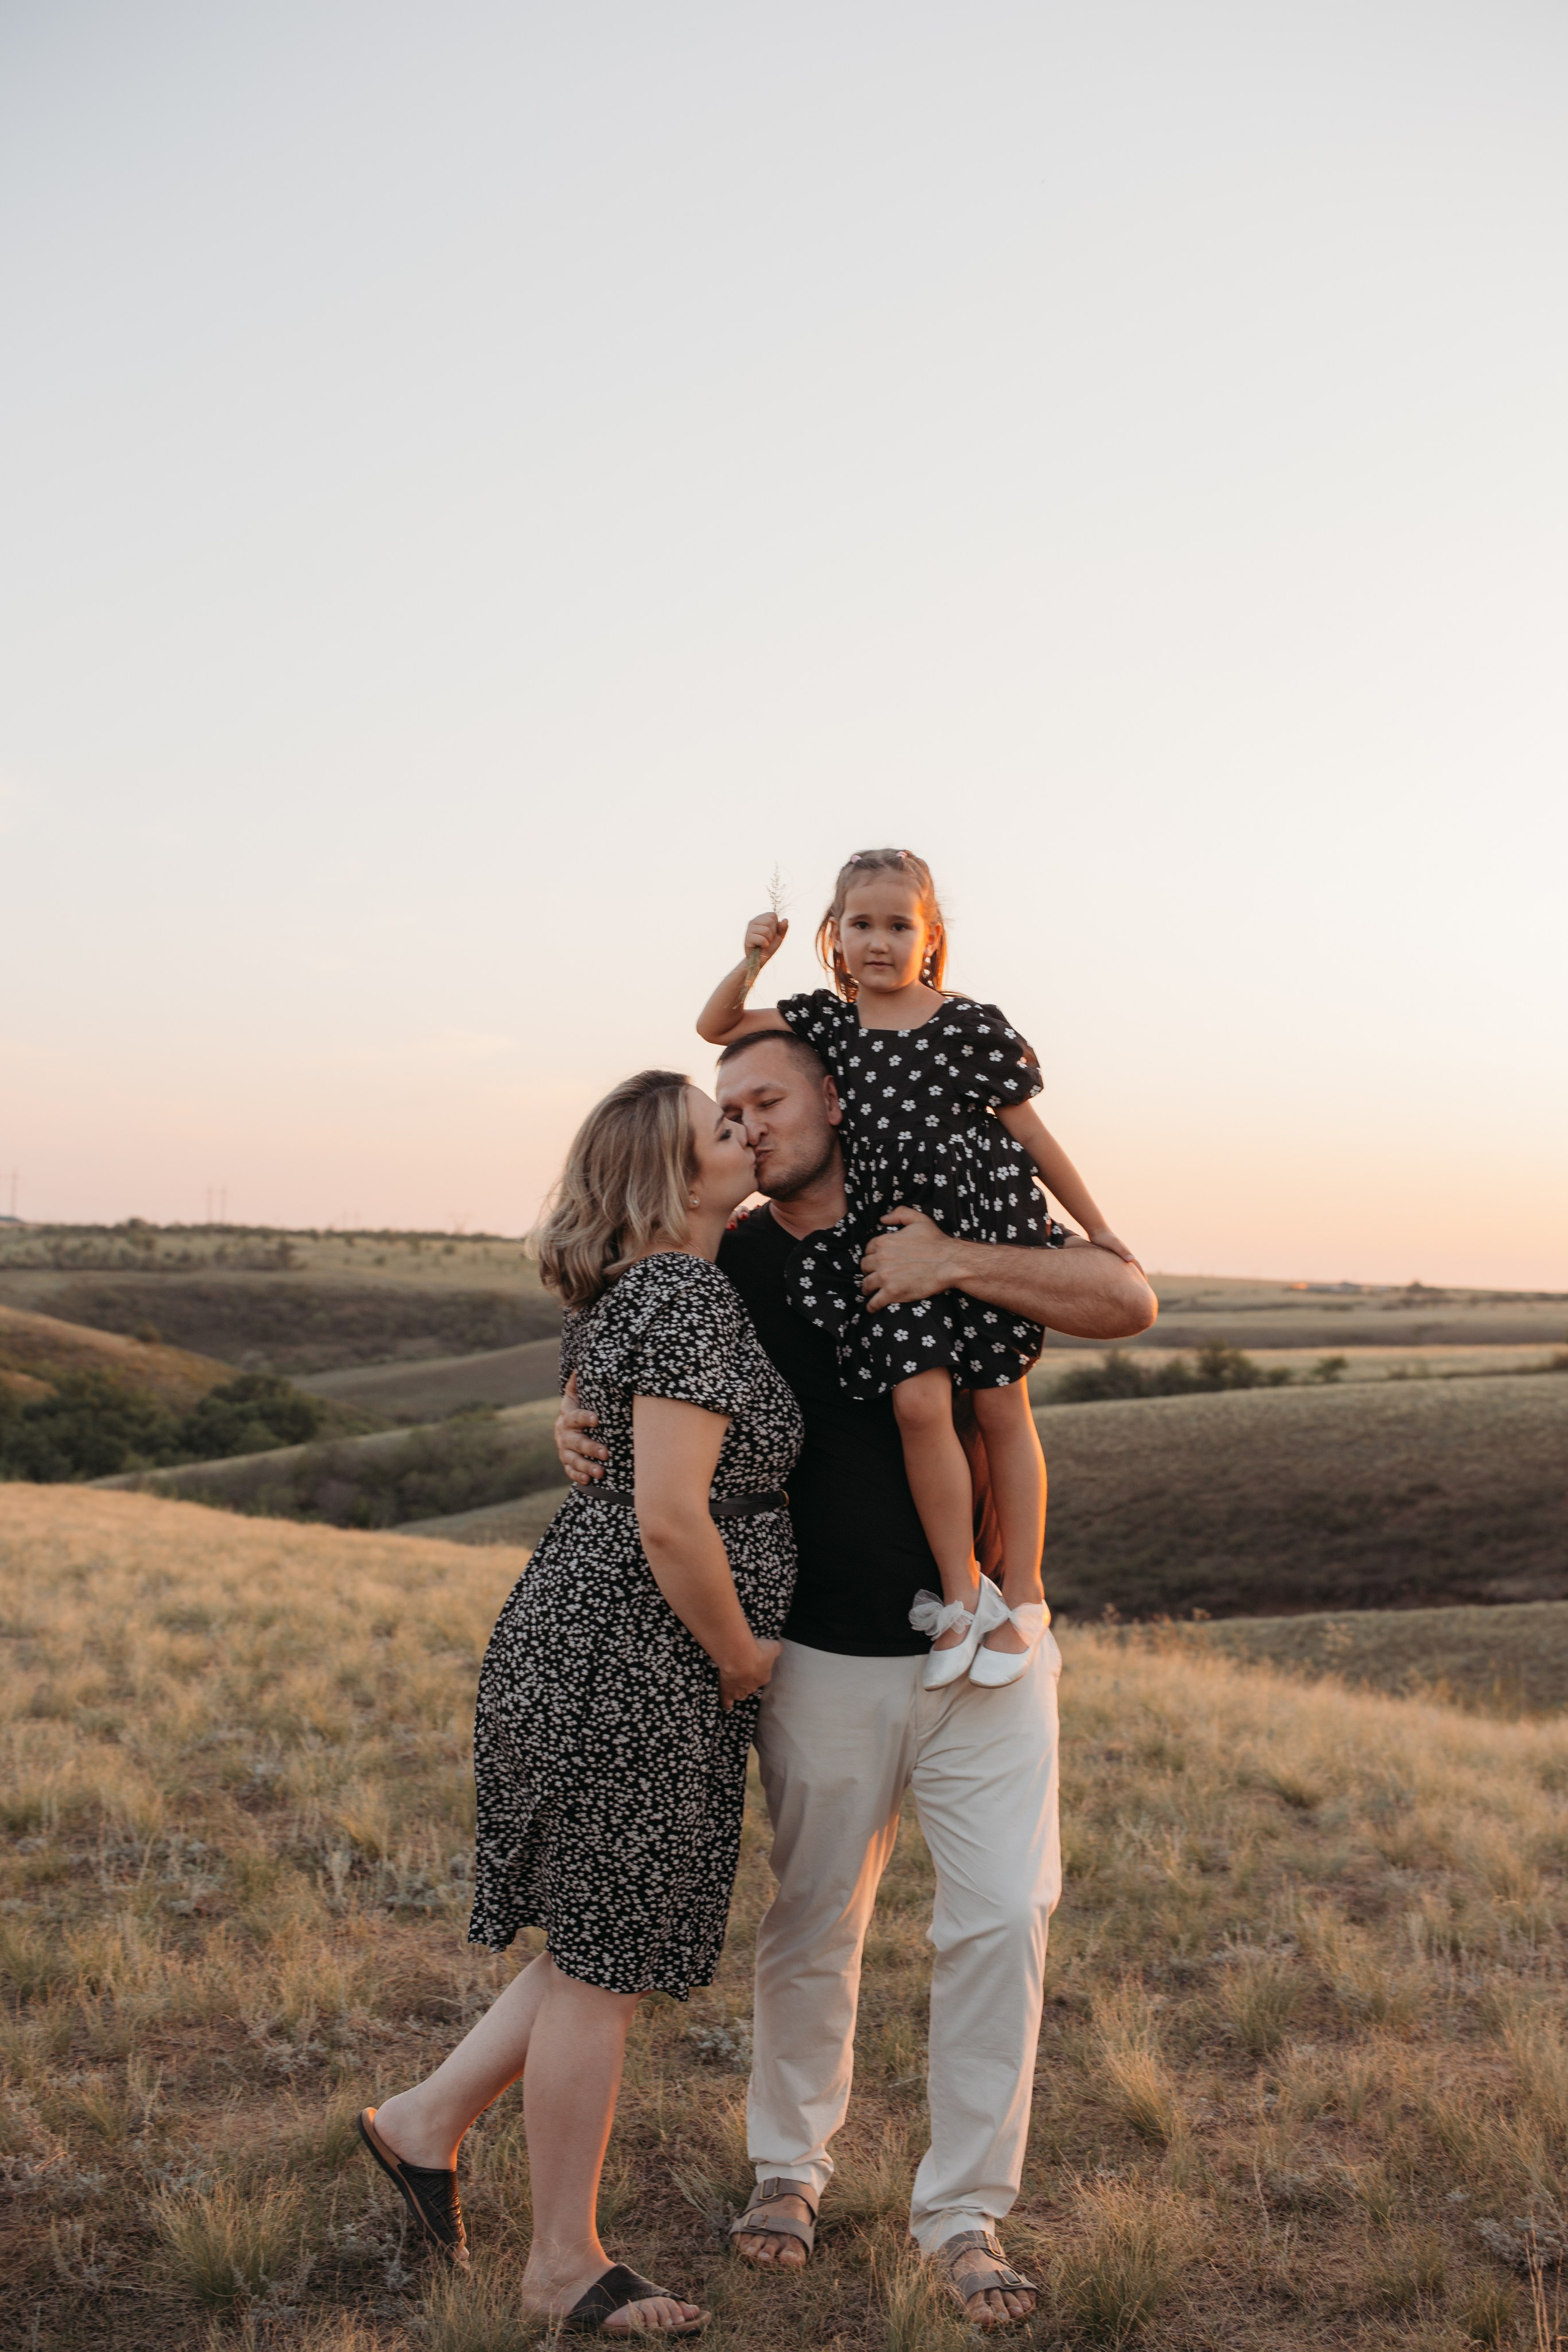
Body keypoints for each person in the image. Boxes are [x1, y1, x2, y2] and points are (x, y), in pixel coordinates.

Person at [556, 1029, 1156, 2329]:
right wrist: (571, 1407)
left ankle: (962, 2215)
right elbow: (628, 1324)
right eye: (728, 1110)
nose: (750, 1123)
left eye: (767, 1098)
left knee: (1002, 1917)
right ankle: (788, 2170)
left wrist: (951, 1260)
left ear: (833, 1094)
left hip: (988, 1642)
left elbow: (1127, 1299)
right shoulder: (734, 1258)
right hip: (818, 1649)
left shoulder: (936, 1201)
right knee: (815, 1917)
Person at [359, 1069, 801, 2339]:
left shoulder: (653, 1293)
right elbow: (669, 1514)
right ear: (674, 1178)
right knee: (603, 1965)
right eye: (722, 1128)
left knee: (591, 1941)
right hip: (636, 1658)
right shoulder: (683, 1297)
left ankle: (421, 2123)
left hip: (599, 1647)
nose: (746, 1133)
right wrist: (737, 1653)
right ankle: (562, 2265)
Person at [696, 846, 1137, 1690]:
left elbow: (1037, 1141)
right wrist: (752, 958)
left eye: (900, 924)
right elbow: (718, 1028)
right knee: (918, 1401)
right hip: (890, 1239)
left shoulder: (968, 1027)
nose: (879, 940)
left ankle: (1025, 1595)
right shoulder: (828, 1026)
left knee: (1001, 1407)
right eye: (861, 923)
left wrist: (1100, 1227)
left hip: (980, 1224)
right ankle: (960, 1595)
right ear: (834, 933)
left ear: (930, 935)